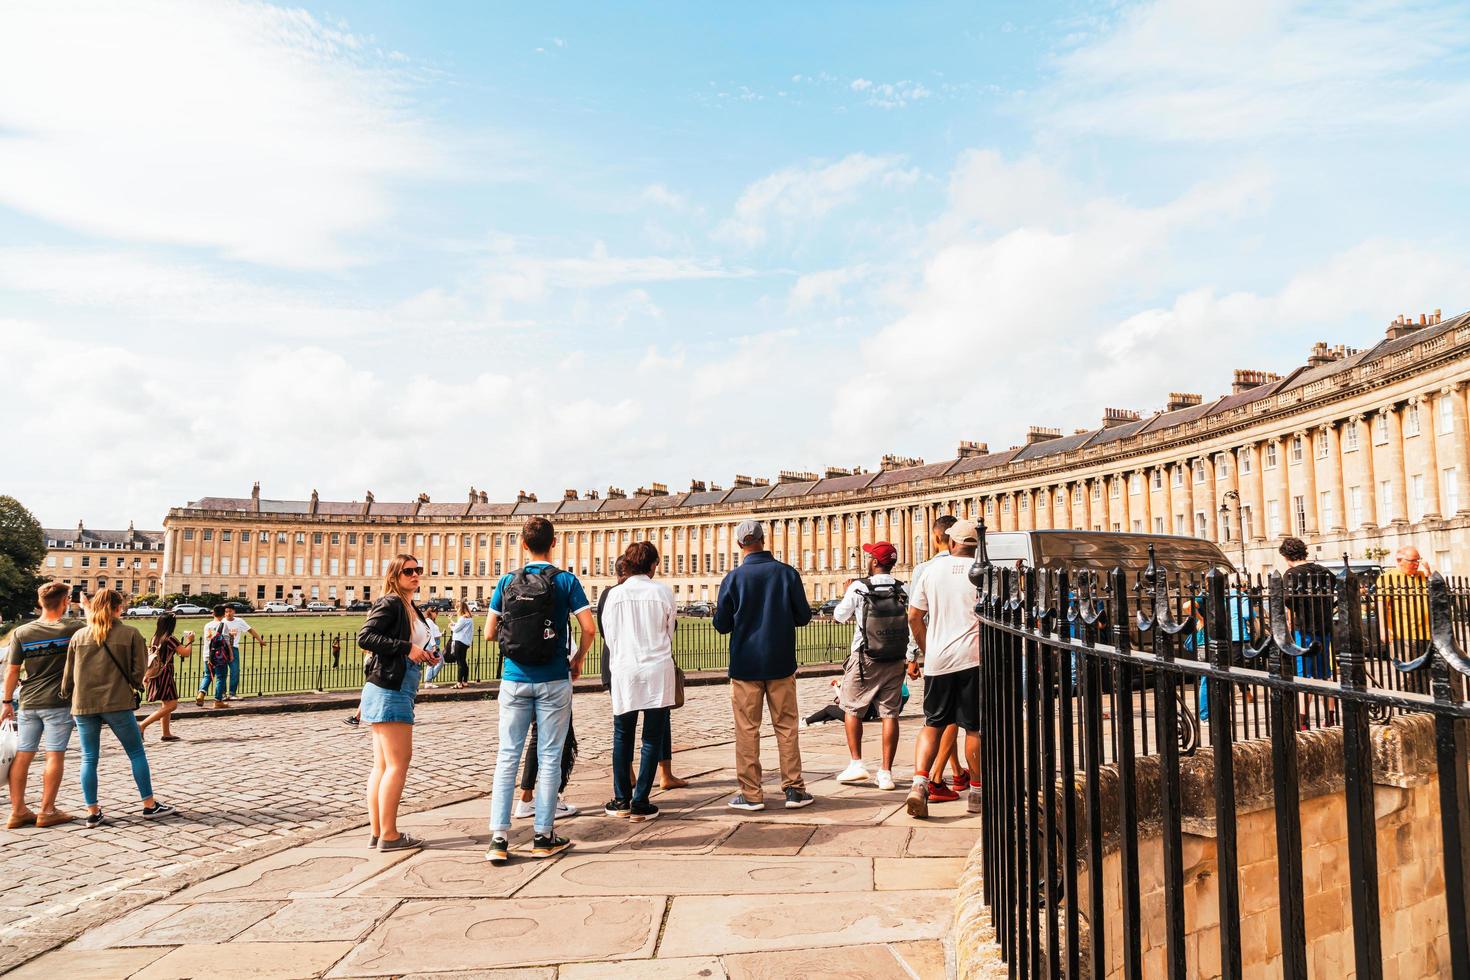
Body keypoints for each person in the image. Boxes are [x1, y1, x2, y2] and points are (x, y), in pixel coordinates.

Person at [484, 517, 594, 864]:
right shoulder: (565, 580)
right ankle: (543, 836)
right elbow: (588, 628)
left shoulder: (506, 581)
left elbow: (488, 633)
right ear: (554, 542)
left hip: (514, 679)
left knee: (507, 757)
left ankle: (499, 839)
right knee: (549, 757)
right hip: (553, 679)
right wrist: (577, 660)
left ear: (522, 542)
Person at [712, 519, 814, 812]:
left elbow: (721, 625)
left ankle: (751, 794)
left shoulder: (733, 579)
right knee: (786, 727)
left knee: (747, 730)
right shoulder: (787, 574)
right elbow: (804, 616)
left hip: (745, 665)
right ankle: (794, 790)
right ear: (763, 540)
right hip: (781, 663)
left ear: (739, 545)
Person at [61, 589, 174, 828]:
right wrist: (133, 686)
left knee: (89, 757)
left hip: (84, 703)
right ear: (118, 608)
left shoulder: (79, 636)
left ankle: (92, 811)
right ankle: (149, 804)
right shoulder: (130, 633)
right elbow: (138, 673)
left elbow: (68, 676)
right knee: (135, 753)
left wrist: (66, 694)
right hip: (117, 701)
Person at [357, 554, 441, 852]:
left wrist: (423, 653)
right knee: (397, 763)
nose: (416, 575)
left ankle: (378, 832)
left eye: (418, 570)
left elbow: (405, 644)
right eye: (409, 571)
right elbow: (365, 637)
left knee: (382, 765)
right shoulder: (391, 602)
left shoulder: (410, 605)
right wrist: (407, 648)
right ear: (394, 575)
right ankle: (390, 836)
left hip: (393, 684)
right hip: (391, 688)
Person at [905, 519, 982, 820]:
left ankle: (919, 783)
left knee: (933, 724)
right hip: (974, 658)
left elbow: (914, 617)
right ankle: (976, 791)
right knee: (974, 727)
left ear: (950, 543)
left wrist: (927, 649)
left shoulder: (930, 571)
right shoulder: (985, 572)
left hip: (938, 660)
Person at [600, 541, 677, 821]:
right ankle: (641, 801)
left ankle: (621, 801)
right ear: (652, 564)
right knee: (652, 737)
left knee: (622, 735)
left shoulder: (614, 596)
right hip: (657, 669)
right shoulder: (663, 592)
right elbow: (670, 632)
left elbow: (609, 635)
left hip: (625, 669)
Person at [2, 582, 85, 829]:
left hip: (28, 701)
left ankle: (17, 811)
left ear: (40, 603)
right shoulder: (73, 628)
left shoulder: (22, 632)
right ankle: (47, 810)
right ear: (65, 601)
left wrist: (7, 702)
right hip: (57, 702)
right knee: (54, 755)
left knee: (23, 755)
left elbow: (12, 670)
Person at [831, 541, 909, 791]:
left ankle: (856, 763)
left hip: (865, 657)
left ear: (875, 562)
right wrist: (911, 656)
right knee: (890, 714)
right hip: (895, 658)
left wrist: (847, 593)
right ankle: (885, 772)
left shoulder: (858, 586)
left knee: (852, 708)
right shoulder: (903, 587)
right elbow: (915, 619)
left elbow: (839, 616)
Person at [1279, 536, 1337, 728]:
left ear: (1287, 556)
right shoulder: (1325, 572)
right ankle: (1330, 717)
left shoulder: (1291, 574)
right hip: (1325, 628)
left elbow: (1287, 601)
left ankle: (1302, 720)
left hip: (1303, 629)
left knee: (1303, 675)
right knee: (1324, 674)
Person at [1378, 545, 1432, 673]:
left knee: (1424, 674)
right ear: (1399, 560)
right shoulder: (1388, 578)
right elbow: (1381, 604)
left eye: (1418, 560)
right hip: (1403, 635)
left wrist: (1429, 571)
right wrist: (1383, 628)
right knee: (1407, 674)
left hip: (1427, 634)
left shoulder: (1422, 576)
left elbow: (1437, 593)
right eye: (1412, 561)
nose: (1416, 564)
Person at [139, 614, 191, 742]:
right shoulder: (170, 638)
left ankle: (166, 733)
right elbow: (185, 653)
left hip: (156, 673)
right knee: (172, 705)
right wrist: (190, 640)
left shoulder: (155, 638)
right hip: (165, 674)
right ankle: (142, 725)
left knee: (166, 703)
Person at [219, 606, 264, 700]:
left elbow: (250, 630)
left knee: (235, 671)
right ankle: (222, 694)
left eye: (230, 611)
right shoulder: (221, 622)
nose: (228, 613)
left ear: (234, 611)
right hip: (222, 649)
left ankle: (232, 693)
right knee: (222, 672)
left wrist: (259, 639)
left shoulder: (239, 621)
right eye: (226, 612)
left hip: (234, 648)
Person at [195, 606, 233, 709]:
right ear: (224, 614)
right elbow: (226, 641)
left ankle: (201, 693)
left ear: (213, 613)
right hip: (219, 656)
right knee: (221, 677)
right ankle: (218, 701)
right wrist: (231, 654)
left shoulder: (207, 625)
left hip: (207, 654)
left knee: (207, 675)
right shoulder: (223, 625)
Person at [449, 600, 475, 688]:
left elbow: (456, 629)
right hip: (465, 642)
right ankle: (465, 681)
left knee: (460, 662)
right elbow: (461, 627)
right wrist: (452, 622)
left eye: (457, 608)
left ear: (460, 609)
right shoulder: (469, 618)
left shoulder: (463, 618)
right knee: (463, 662)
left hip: (459, 641)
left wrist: (451, 626)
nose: (456, 611)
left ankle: (459, 683)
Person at [421, 606, 445, 687]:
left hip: (435, 643)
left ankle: (428, 681)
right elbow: (430, 634)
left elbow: (434, 633)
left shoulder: (431, 621)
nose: (436, 614)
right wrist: (434, 645)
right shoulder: (429, 621)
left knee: (434, 662)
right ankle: (428, 681)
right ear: (430, 612)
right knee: (438, 662)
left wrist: (441, 634)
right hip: (432, 644)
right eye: (435, 612)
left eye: (437, 612)